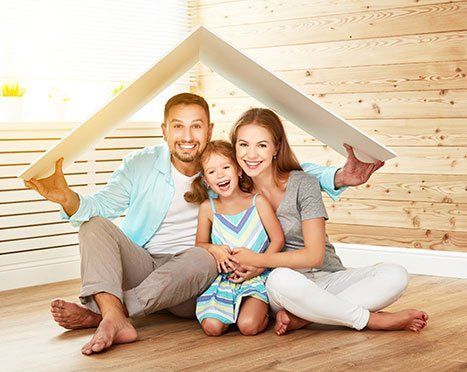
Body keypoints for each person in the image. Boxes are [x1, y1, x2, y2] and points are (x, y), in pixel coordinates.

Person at [23, 93, 384, 355]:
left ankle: (103, 314)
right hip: (147, 266)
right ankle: (115, 315)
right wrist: (66, 197)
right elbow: (98, 205)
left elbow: (286, 171)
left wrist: (338, 176)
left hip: (197, 275)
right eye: (178, 126)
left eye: (196, 126)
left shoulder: (225, 163)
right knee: (94, 225)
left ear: (209, 130)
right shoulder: (140, 164)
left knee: (202, 255)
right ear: (164, 130)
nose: (186, 135)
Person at [228, 108, 429, 335]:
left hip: (329, 277)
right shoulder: (233, 190)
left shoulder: (304, 183)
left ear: (276, 148)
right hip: (286, 288)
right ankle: (371, 320)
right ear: (234, 147)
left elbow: (314, 255)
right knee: (280, 279)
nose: (251, 154)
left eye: (262, 145)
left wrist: (257, 260)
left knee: (396, 274)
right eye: (244, 145)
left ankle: (303, 318)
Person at [184, 140, 284, 336]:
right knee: (212, 328)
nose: (220, 174)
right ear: (206, 180)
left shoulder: (258, 202)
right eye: (212, 172)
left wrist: (259, 267)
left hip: (257, 277)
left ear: (238, 170)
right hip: (224, 280)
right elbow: (200, 244)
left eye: (225, 167)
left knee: (248, 326)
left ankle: (263, 312)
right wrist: (214, 249)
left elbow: (278, 239)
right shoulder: (208, 208)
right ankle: (230, 312)